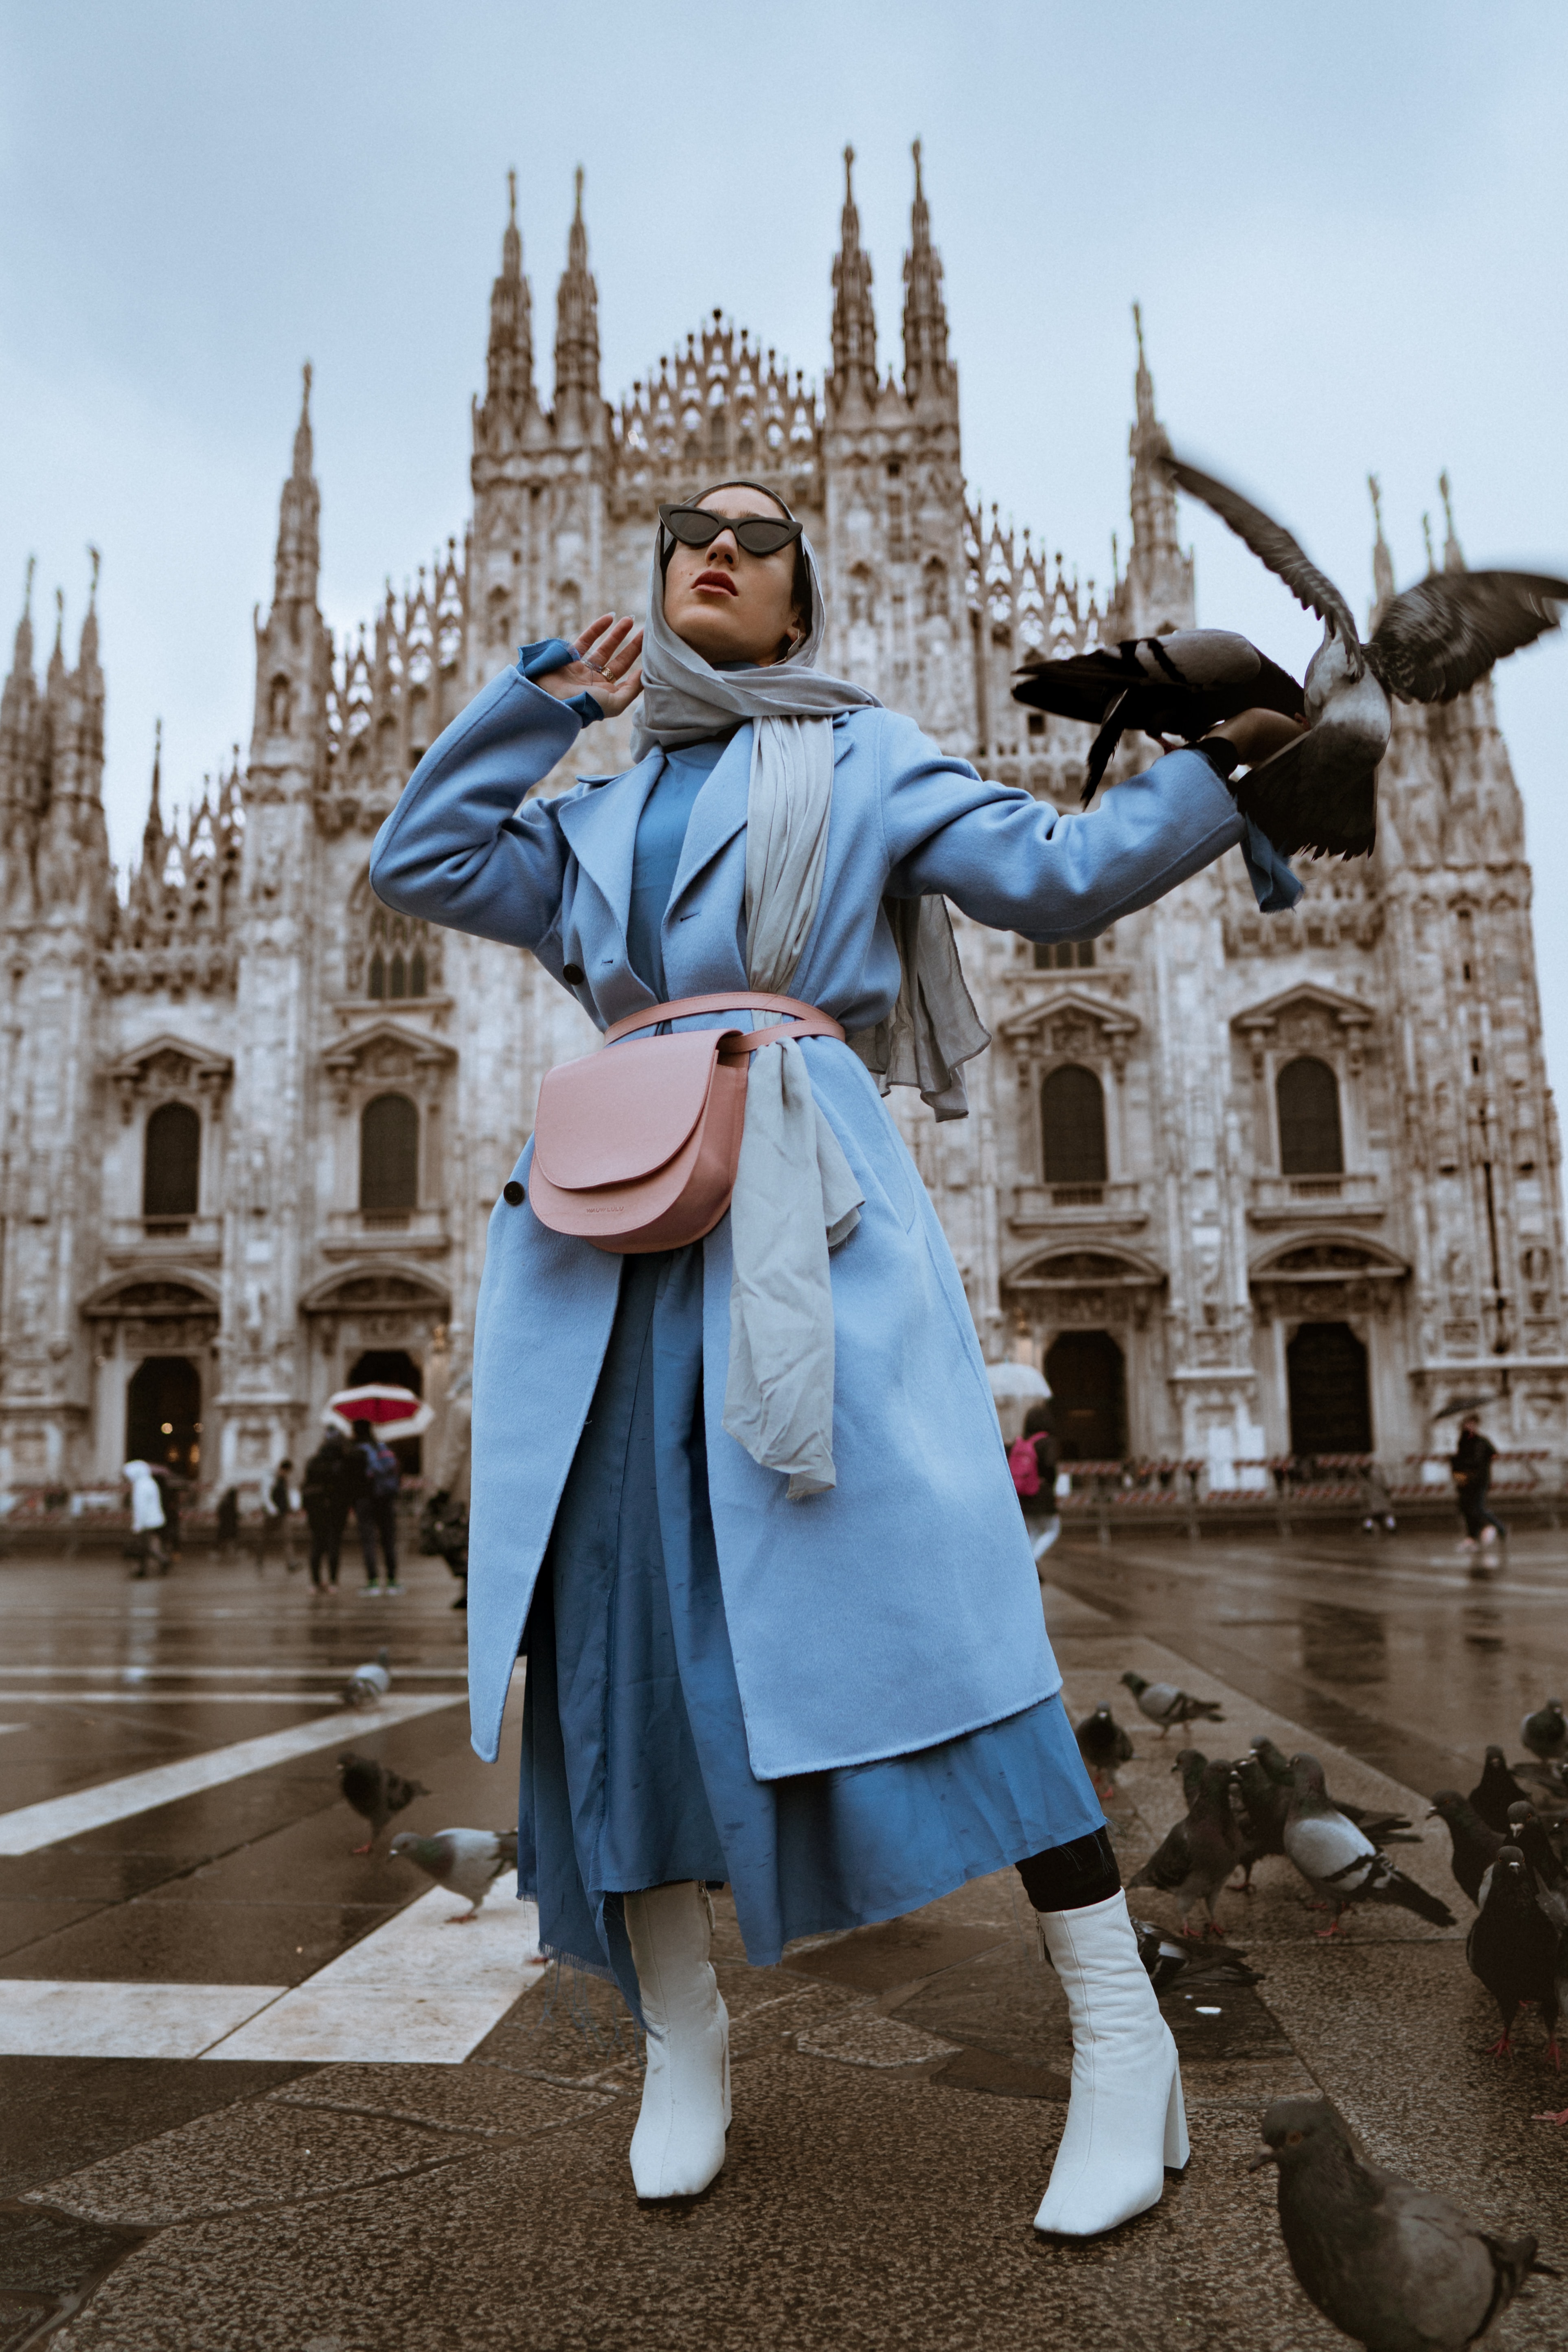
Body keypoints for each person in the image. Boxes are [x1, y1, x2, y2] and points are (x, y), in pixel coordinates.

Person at [369, 479, 1302, 2231]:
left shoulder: (867, 754)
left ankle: (1119, 2035)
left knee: (949, 1606)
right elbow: (416, 859)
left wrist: (1234, 771)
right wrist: (539, 700)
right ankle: (685, 2040)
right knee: (617, 1644)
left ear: (803, 605)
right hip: (614, 1235)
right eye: (684, 530)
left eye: (760, 531)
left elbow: (1057, 876)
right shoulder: (591, 810)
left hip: (810, 1209)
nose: (715, 543)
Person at [351, 1417, 402, 1593]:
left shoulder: (356, 1451)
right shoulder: (382, 1448)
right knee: (388, 1540)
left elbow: (351, 1481)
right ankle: (392, 1581)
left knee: (369, 1541)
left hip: (365, 1500)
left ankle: (373, 1582)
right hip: (386, 1499)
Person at [1010, 1402, 1061, 1567]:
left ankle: (1029, 1565)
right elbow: (1050, 1467)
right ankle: (1031, 1563)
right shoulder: (1047, 1442)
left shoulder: (1021, 1442)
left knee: (1033, 1533)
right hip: (1041, 1492)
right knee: (1053, 1529)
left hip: (1023, 1494)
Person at [301, 1431, 353, 1590]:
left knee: (317, 1543)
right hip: (336, 1508)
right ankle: (333, 1582)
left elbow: (306, 1485)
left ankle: (315, 1582)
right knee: (334, 1545)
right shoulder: (341, 1463)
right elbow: (346, 1488)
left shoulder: (313, 1462)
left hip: (315, 1509)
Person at [1451, 1413, 1505, 1551]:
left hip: (1479, 1480)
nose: (1469, 1426)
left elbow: (1489, 1456)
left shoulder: (1480, 1441)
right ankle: (1473, 1537)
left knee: (1477, 1508)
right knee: (1466, 1508)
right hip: (1465, 1480)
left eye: (1472, 1424)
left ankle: (1497, 1528)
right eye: (1467, 1424)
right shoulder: (1463, 1441)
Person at [123, 1459, 169, 1579]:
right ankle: (154, 1564)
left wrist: (138, 1524)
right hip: (154, 1519)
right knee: (146, 1545)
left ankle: (158, 1562)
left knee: (144, 1546)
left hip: (146, 1521)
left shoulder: (141, 1486)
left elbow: (140, 1507)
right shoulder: (150, 1482)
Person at [261, 1457, 303, 1572]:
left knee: (288, 1538)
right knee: (266, 1539)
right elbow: (266, 1496)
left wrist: (292, 1508)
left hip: (283, 1514)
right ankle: (260, 1560)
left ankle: (291, 1563)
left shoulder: (284, 1480)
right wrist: (273, 1510)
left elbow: (287, 1496)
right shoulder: (271, 1478)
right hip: (272, 1515)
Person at [215, 1485, 240, 1562]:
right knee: (231, 1539)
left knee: (223, 1539)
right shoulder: (232, 1503)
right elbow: (235, 1514)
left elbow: (220, 1512)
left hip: (224, 1525)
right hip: (231, 1526)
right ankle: (230, 1552)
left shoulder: (225, 1502)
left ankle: (221, 1552)